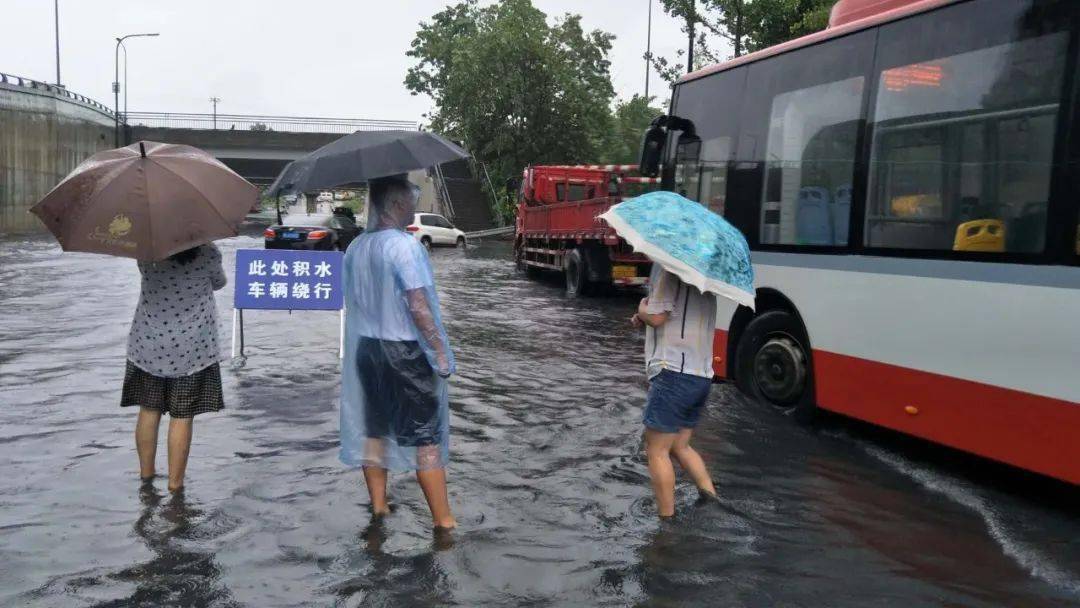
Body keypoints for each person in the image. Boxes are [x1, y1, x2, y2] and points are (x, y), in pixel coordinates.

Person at [339, 175, 456, 530]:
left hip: (367, 350)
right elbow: (419, 306)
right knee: (426, 436)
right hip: (403, 352)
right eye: (408, 199)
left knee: (374, 430)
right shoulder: (403, 247)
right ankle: (444, 522)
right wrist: (439, 350)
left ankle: (379, 507)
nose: (413, 205)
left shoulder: (357, 246)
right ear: (393, 204)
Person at [122, 244, 227, 493]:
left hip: (148, 344)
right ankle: (175, 486)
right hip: (191, 350)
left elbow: (147, 274)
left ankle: (146, 477)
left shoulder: (146, 250)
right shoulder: (208, 253)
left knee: (148, 409)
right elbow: (219, 282)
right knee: (182, 416)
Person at [631, 263, 719, 518]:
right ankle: (710, 496)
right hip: (700, 375)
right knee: (681, 446)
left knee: (656, 450)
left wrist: (641, 309)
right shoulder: (706, 276)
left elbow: (658, 317)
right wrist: (645, 317)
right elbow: (677, 316)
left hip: (673, 372)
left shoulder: (668, 268)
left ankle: (666, 521)